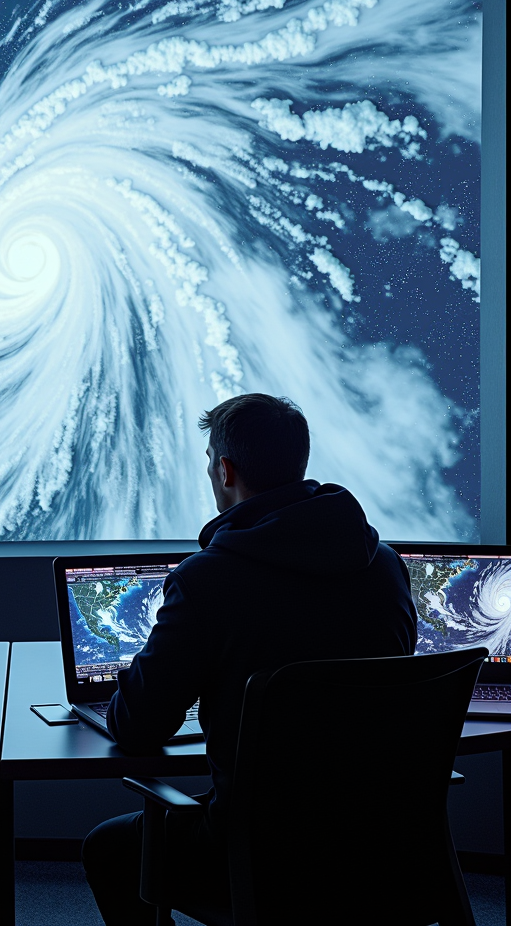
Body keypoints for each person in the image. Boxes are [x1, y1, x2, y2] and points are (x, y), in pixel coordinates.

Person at [81, 393, 417, 926]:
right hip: (386, 845)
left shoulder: (208, 580)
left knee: (110, 847)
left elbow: (137, 727)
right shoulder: (384, 567)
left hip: (261, 857)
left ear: (225, 469)